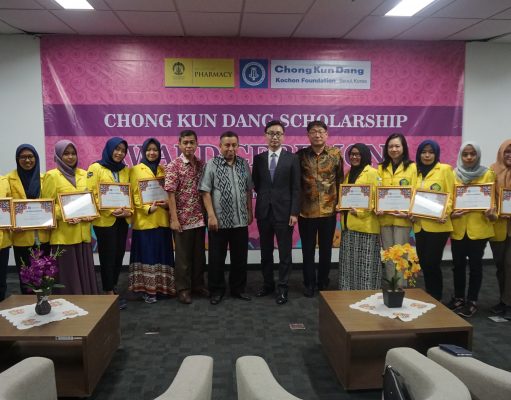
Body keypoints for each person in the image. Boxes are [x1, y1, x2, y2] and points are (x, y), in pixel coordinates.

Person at [199, 131, 253, 305]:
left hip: (240, 220)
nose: (231, 148)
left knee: (240, 258)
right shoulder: (212, 164)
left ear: (238, 146)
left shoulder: (243, 164)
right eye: (227, 145)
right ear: (220, 146)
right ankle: (216, 290)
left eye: (234, 145)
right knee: (216, 258)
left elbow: (248, 190)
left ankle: (238, 289)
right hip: (219, 221)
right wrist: (211, 216)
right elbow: (205, 192)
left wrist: (250, 211)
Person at [252, 120, 300, 305]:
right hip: (264, 212)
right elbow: (257, 184)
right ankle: (268, 285)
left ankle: (283, 288)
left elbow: (296, 188)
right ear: (265, 136)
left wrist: (294, 212)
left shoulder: (292, 159)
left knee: (284, 253)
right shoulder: (259, 159)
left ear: (283, 136)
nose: (274, 137)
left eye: (278, 133)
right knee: (265, 252)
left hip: (285, 213)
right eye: (271, 133)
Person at [42, 140, 98, 294]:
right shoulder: (51, 176)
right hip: (64, 235)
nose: (70, 157)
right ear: (58, 156)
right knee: (68, 274)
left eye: (73, 153)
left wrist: (91, 213)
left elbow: (91, 200)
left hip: (83, 233)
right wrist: (66, 213)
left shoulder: (84, 174)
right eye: (66, 154)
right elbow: (46, 207)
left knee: (84, 270)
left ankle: (86, 297)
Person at [447, 142, 496, 317]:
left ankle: (472, 300)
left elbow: (493, 200)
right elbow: (449, 199)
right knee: (457, 265)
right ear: (461, 156)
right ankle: (459, 298)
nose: (468, 157)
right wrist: (451, 213)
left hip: (479, 228)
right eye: (465, 154)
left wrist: (492, 211)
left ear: (478, 155)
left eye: (472, 154)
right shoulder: (454, 174)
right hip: (459, 228)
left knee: (476, 266)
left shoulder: (487, 174)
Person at [297, 120, 343, 297]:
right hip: (306, 211)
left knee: (326, 250)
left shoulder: (335, 154)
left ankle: (323, 281)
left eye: (321, 131)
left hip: (328, 210)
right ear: (308, 135)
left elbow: (340, 180)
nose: (317, 135)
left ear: (326, 134)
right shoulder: (300, 155)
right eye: (313, 132)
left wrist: (340, 202)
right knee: (307, 250)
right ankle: (309, 283)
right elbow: (296, 183)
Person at [129, 138, 175, 304]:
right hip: (145, 221)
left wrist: (168, 204)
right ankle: (148, 291)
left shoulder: (164, 170)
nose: (152, 153)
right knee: (147, 256)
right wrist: (147, 208)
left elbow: (169, 193)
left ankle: (163, 289)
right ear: (143, 151)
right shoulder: (135, 170)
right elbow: (133, 195)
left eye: (155, 150)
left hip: (162, 220)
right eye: (148, 150)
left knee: (162, 255)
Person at [87, 137, 132, 305]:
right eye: (116, 149)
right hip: (105, 221)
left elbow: (129, 193)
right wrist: (109, 210)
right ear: (109, 149)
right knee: (108, 255)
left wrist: (128, 211)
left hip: (122, 220)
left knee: (119, 254)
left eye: (123, 150)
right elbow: (90, 194)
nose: (119, 153)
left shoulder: (125, 170)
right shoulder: (95, 168)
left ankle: (113, 286)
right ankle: (107, 290)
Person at [166, 130, 208, 305]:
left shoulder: (201, 164)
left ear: (197, 144)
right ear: (179, 144)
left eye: (192, 142)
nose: (189, 146)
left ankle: (198, 285)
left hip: (199, 218)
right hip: (182, 220)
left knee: (199, 256)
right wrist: (174, 219)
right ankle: (183, 289)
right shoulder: (173, 165)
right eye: (185, 143)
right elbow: (170, 194)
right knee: (183, 258)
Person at [412, 140, 454, 301]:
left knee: (432, 262)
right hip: (420, 225)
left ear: (436, 154)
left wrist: (444, 212)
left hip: (438, 226)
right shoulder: (416, 171)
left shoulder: (444, 169)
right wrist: (411, 211)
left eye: (431, 152)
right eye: (424, 152)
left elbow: (451, 195)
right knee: (424, 262)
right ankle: (430, 292)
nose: (427, 155)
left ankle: (436, 296)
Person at [7, 144, 50, 294]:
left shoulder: (45, 179)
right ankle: (28, 302)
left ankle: (44, 301)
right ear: (17, 159)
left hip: (43, 234)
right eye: (23, 157)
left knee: (45, 274)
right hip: (22, 236)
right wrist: (12, 223)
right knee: (26, 274)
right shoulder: (9, 179)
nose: (27, 160)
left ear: (36, 158)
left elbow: (51, 203)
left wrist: (51, 220)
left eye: (30, 157)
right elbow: (7, 207)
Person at [338, 144, 381, 290]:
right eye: (352, 154)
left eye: (358, 154)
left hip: (366, 226)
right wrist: (340, 205)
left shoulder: (373, 173)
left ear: (364, 156)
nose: (354, 157)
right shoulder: (349, 173)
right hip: (348, 225)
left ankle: (366, 293)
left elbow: (377, 199)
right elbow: (346, 196)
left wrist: (361, 211)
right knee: (349, 263)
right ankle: (348, 292)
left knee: (365, 264)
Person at [377, 133, 417, 286]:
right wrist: (376, 206)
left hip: (402, 219)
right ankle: (390, 285)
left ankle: (400, 287)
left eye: (397, 146)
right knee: (388, 254)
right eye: (390, 146)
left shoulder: (412, 167)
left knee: (401, 254)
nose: (394, 149)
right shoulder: (381, 168)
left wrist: (409, 212)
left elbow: (416, 192)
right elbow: (376, 190)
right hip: (385, 218)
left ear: (403, 148)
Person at [489, 139, 511, 317]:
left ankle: (509, 303)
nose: (509, 155)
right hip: (498, 225)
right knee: (500, 266)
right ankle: (504, 300)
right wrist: (495, 210)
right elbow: (488, 196)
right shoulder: (492, 170)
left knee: (510, 264)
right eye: (507, 152)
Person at [0, 176, 11, 301]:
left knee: (1, 280)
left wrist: (15, 221)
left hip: (3, 241)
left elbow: (10, 207)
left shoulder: (3, 181)